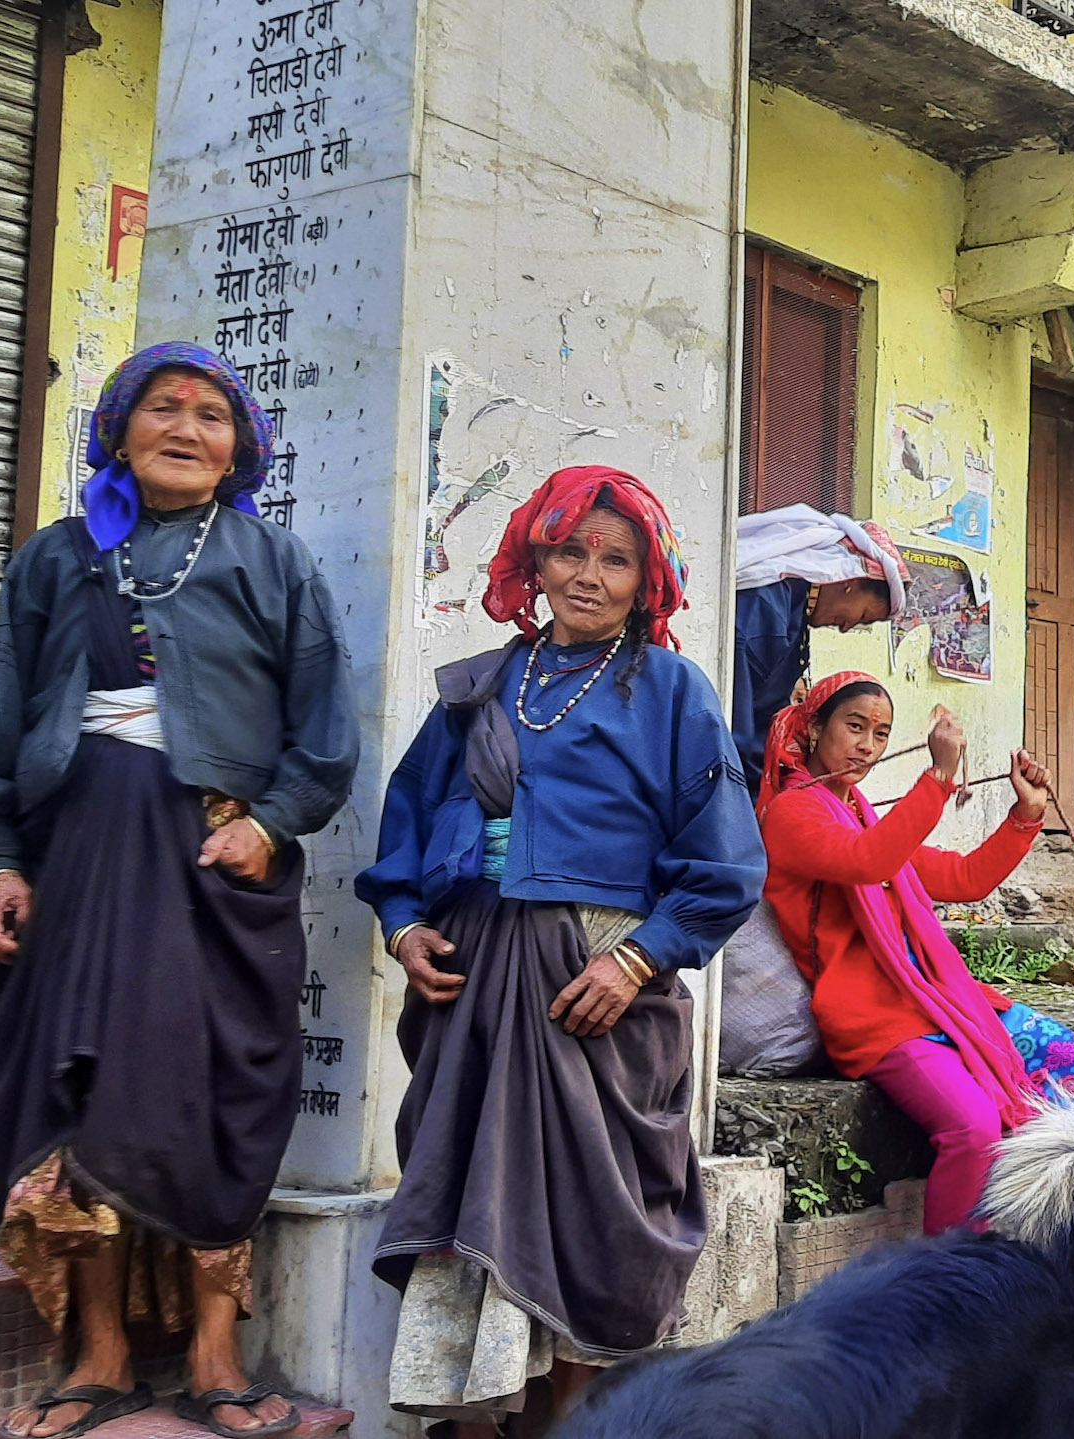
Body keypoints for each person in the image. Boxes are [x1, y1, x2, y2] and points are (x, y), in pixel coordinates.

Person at [0, 342, 356, 1439]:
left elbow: (324, 730)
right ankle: (103, 1354)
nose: (186, 426)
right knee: (81, 1099)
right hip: (78, 859)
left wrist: (269, 825)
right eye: (162, 407)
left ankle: (218, 1356)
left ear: (241, 448)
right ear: (117, 431)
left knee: (218, 1094)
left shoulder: (275, 563)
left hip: (220, 870)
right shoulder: (55, 559)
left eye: (212, 413)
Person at [356, 466, 762, 1435]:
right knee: (468, 1188)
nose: (588, 573)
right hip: (481, 974)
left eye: (615, 558)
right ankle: (474, 1419)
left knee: (601, 1202)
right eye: (569, 548)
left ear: (646, 579)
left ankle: (577, 1419)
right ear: (531, 559)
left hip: (603, 980)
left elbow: (725, 862)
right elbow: (405, 824)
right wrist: (406, 925)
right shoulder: (477, 691)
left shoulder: (671, 692)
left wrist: (634, 960)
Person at [757, 672, 1074, 1234]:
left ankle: (1042, 1242)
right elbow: (867, 862)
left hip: (930, 1002)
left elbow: (964, 877)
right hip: (871, 1019)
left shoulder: (860, 811)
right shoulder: (793, 812)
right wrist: (937, 777)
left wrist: (1024, 815)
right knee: (973, 1128)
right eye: (855, 727)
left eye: (880, 735)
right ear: (812, 730)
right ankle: (950, 1282)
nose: (867, 747)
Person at [726, 504, 912, 791]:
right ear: (849, 582)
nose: (846, 627)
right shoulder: (766, 611)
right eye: (862, 616)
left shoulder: (793, 610)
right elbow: (735, 726)